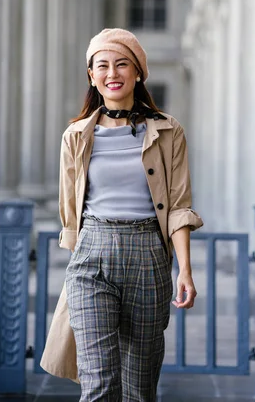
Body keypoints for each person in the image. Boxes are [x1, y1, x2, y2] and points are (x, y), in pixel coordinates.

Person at [40, 28, 203, 402]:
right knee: (98, 381)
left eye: (121, 64)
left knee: (139, 387)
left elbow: (178, 206)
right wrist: (81, 252)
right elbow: (71, 209)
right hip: (91, 257)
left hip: (147, 254)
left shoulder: (167, 130)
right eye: (102, 66)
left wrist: (186, 271)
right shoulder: (75, 137)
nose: (112, 72)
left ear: (138, 73)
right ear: (92, 76)